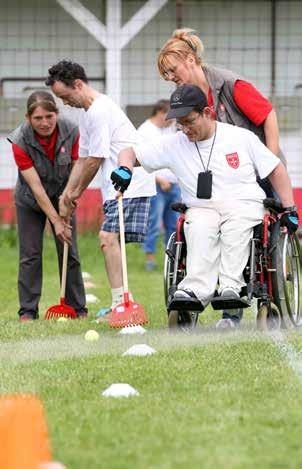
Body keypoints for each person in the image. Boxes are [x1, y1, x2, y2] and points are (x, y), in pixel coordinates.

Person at [110, 85, 299, 328]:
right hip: (201, 208)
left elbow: (275, 169)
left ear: (207, 112)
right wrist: (124, 168)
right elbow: (129, 152)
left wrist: (290, 209)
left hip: (243, 203)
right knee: (198, 226)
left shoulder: (240, 138)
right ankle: (194, 290)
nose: (185, 129)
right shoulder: (175, 143)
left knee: (236, 226)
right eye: (180, 123)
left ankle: (232, 287)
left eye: (190, 121)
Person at [157, 27, 285, 328]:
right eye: (166, 75)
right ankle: (205, 294)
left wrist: (267, 163)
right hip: (218, 182)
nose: (170, 78)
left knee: (245, 229)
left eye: (172, 71)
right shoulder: (188, 98)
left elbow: (267, 115)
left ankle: (234, 311)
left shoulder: (229, 84)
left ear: (190, 60)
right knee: (206, 223)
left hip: (256, 164)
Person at [46, 60, 155, 320]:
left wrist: (75, 194)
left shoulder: (99, 111)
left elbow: (95, 160)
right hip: (116, 185)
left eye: (65, 96)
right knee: (109, 240)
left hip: (130, 183)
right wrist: (66, 194)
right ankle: (120, 303)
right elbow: (82, 159)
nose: (64, 103)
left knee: (108, 239)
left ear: (79, 84)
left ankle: (122, 304)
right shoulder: (88, 113)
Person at [8, 91, 88, 321]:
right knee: (30, 254)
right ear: (28, 118)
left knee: (69, 251)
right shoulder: (19, 140)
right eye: (38, 118)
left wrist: (68, 201)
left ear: (57, 113)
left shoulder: (72, 131)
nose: (44, 123)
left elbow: (77, 168)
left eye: (49, 116)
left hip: (64, 195)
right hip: (30, 201)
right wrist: (56, 220)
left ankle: (78, 308)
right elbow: (36, 187)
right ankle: (28, 311)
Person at [137, 99, 181, 271]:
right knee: (153, 223)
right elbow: (140, 159)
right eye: (171, 116)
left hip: (174, 184)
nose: (174, 120)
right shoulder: (144, 131)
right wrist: (159, 179)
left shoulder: (171, 129)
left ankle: (171, 259)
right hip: (155, 185)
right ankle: (150, 259)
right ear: (162, 113)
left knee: (174, 224)